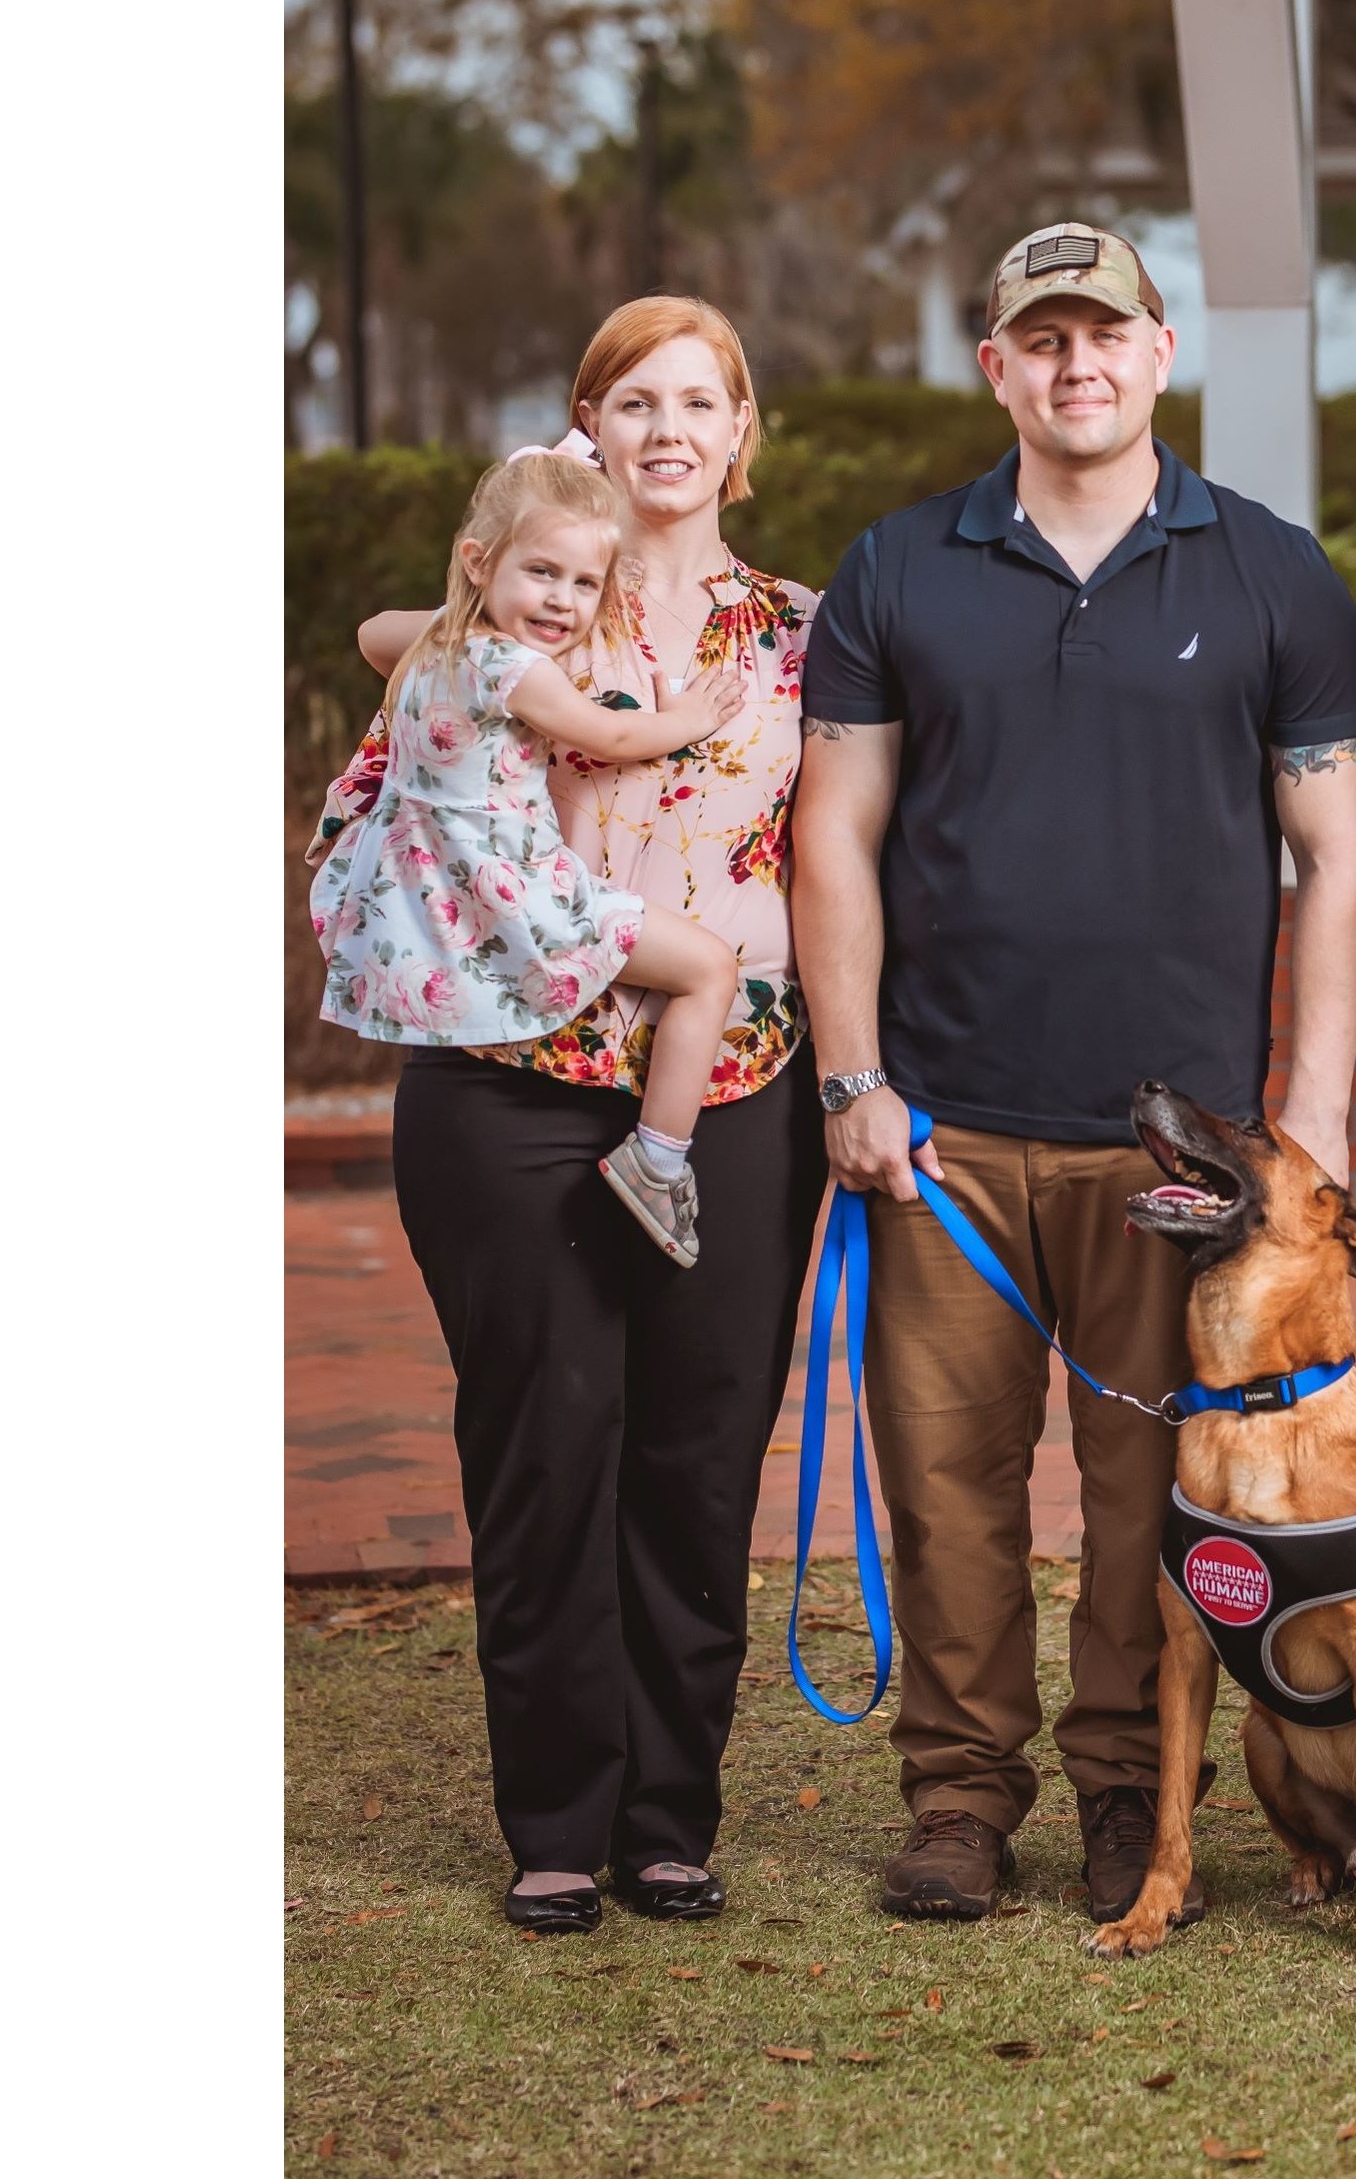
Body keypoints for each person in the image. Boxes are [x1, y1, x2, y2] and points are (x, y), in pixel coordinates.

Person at [793, 222, 1356, 1928]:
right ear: (995, 366)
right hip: (943, 1131)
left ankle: (1133, 1790)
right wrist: (852, 1076)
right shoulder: (898, 566)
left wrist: (1316, 1118)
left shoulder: (1273, 575)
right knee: (946, 1482)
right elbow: (832, 833)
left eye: (1103, 334)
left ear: (1158, 350)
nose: (1074, 365)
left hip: (1179, 1160)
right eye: (1038, 339)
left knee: (1153, 1495)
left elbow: (1334, 856)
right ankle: (964, 1795)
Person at [316, 297, 828, 1934]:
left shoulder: (806, 632)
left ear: (741, 437)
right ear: (582, 427)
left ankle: (667, 1817)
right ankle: (556, 1816)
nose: (669, 427)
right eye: (634, 401)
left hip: (734, 1085)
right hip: (508, 1086)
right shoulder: (517, 605)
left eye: (701, 401)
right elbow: (390, 719)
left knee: (691, 1457)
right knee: (548, 1448)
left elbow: (858, 853)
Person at [309, 447, 751, 1259]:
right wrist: (689, 716)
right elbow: (613, 734)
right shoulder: (513, 668)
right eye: (542, 572)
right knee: (709, 970)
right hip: (513, 887)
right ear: (478, 561)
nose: (562, 601)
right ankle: (659, 1160)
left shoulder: (433, 650)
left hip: (435, 887)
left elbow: (373, 633)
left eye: (585, 584)